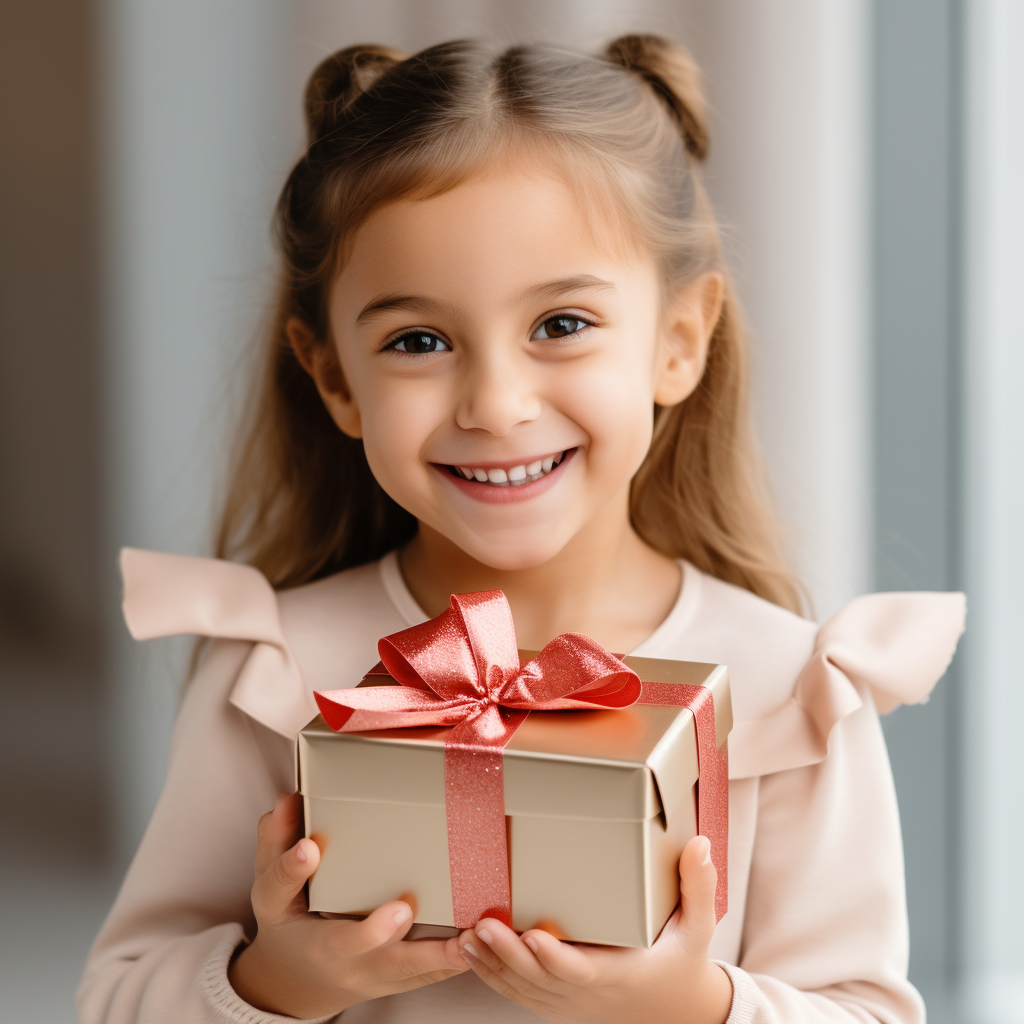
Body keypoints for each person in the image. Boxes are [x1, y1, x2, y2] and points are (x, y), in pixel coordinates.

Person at [77, 35, 965, 1024]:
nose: (496, 405)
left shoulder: (789, 691)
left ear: (678, 341)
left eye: (561, 325)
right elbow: (118, 1000)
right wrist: (277, 982)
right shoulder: (273, 671)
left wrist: (696, 1004)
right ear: (333, 377)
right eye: (418, 341)